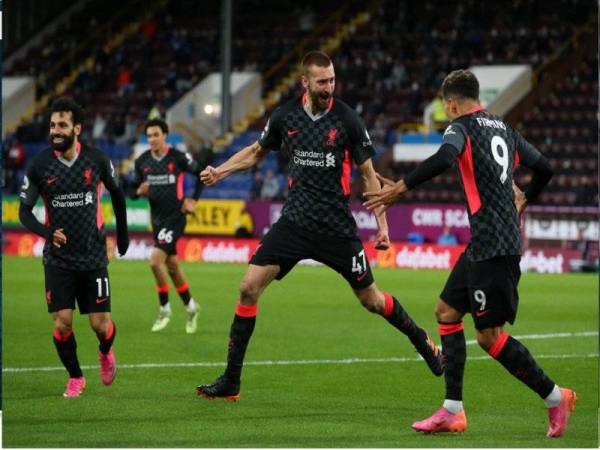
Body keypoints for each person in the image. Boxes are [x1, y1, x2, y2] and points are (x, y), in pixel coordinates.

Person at [195, 50, 443, 401]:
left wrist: (382, 225)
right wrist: (221, 171)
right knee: (248, 287)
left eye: (332, 80)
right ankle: (231, 381)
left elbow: (369, 174)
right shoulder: (286, 117)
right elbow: (255, 151)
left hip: (336, 228)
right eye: (322, 81)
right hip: (294, 223)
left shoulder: (348, 121)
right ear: (305, 82)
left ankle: (422, 341)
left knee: (371, 300)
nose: (329, 87)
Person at [363, 69, 575, 438]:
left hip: (495, 246)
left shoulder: (459, 127)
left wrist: (402, 187)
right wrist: (526, 195)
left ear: (450, 103)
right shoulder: (503, 128)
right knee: (446, 311)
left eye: (444, 106)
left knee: (489, 336)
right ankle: (452, 411)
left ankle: (557, 397)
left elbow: (446, 157)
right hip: (487, 242)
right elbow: (545, 167)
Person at [19, 96, 129, 397]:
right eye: (52, 125)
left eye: (62, 125)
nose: (55, 130)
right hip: (59, 259)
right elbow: (24, 213)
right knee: (63, 323)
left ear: (77, 128)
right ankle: (76, 376)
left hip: (94, 256)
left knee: (100, 325)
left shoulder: (97, 160)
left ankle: (106, 352)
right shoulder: (39, 165)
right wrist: (47, 231)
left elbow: (118, 197)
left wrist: (122, 237)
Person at [129, 118, 203, 333]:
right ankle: (191, 307)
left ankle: (165, 309)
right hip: (157, 221)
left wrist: (193, 200)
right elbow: (132, 190)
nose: (152, 139)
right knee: (172, 266)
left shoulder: (177, 157)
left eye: (156, 135)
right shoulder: (142, 161)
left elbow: (201, 175)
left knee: (154, 262)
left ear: (165, 135)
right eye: (149, 136)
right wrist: (137, 193)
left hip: (176, 217)